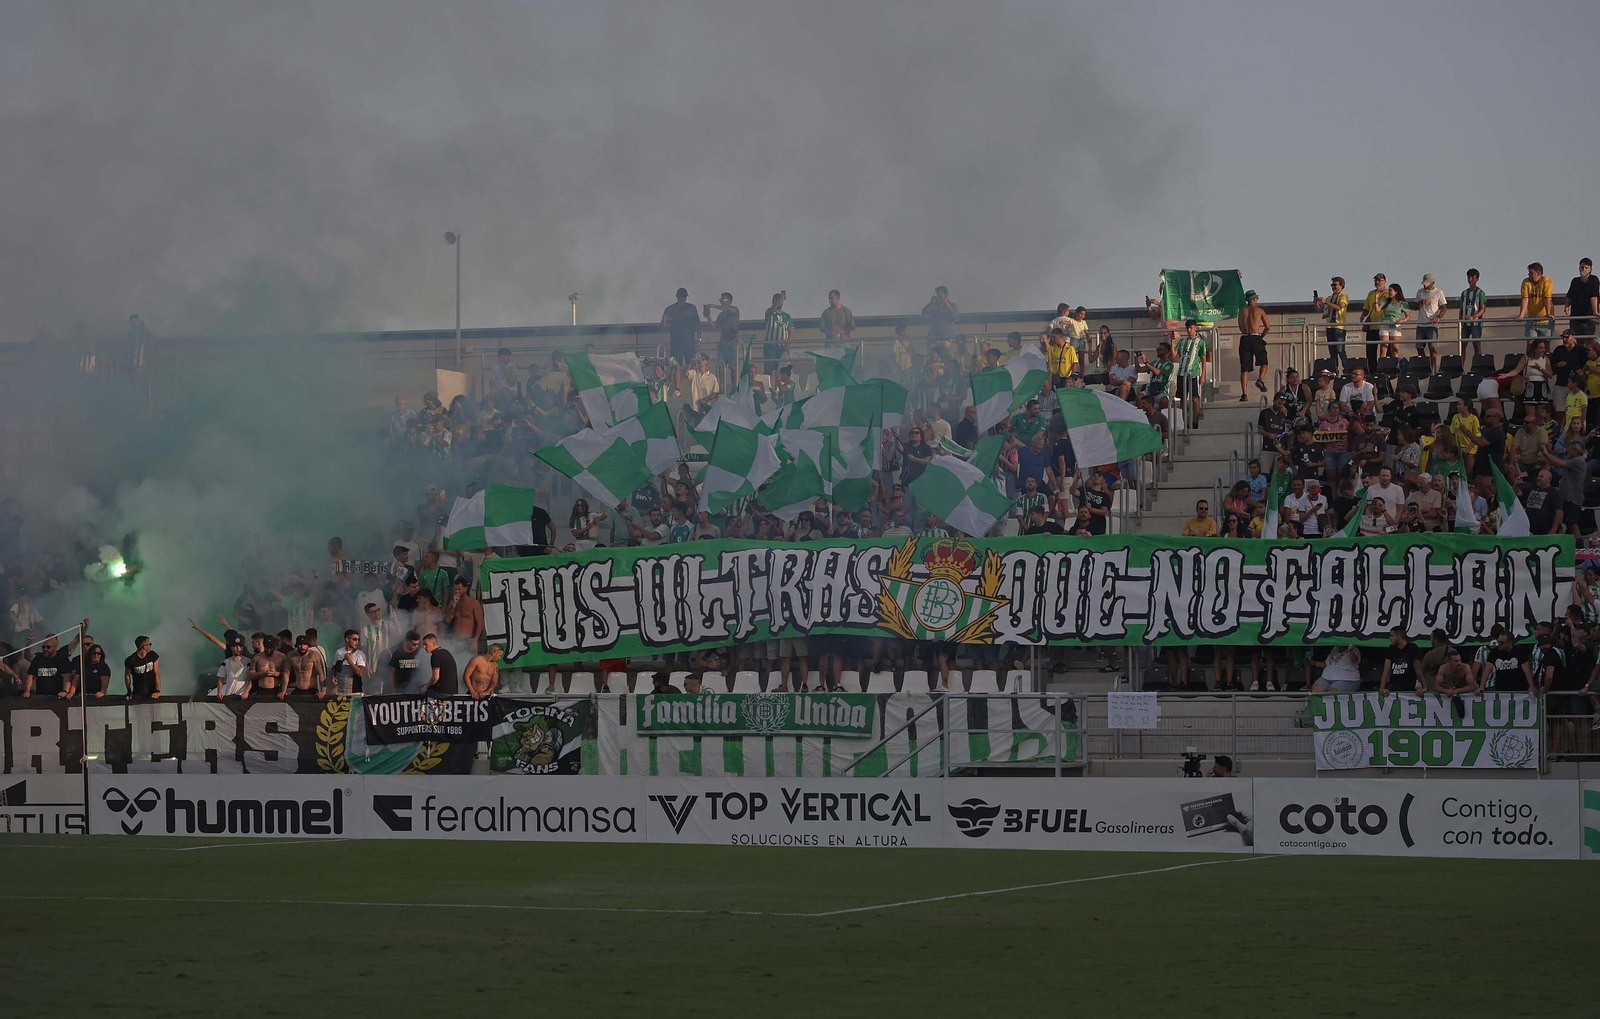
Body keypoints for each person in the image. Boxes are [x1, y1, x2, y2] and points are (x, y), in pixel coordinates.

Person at [662, 287, 701, 395]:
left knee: (692, 362)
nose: (683, 298)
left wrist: (699, 338)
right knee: (676, 365)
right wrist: (665, 322)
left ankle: (691, 385)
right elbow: (663, 325)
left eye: (685, 296)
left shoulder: (691, 308)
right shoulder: (670, 309)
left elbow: (698, 324)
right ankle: (677, 388)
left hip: (689, 341)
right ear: (677, 297)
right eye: (681, 296)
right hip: (676, 342)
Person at [1236, 289, 1270, 399]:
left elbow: (1240, 326)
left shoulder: (1241, 311)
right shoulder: (1259, 310)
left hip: (1244, 337)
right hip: (1255, 336)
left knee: (1244, 368)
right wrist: (1261, 337)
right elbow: (1267, 327)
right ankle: (1260, 379)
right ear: (1254, 299)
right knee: (1264, 362)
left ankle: (1244, 393)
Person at [1175, 320, 1206, 427]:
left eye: (1191, 328)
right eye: (1187, 328)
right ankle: (1184, 422)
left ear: (1195, 328)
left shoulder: (1200, 342)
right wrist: (1172, 342)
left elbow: (1203, 358)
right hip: (1181, 373)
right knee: (1183, 398)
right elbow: (1173, 355)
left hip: (1193, 373)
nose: (1189, 330)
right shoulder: (1182, 342)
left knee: (1195, 398)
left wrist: (1203, 375)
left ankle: (1195, 422)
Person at [1314, 276, 1349, 367]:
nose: (1333, 287)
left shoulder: (1344, 296)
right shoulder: (1329, 298)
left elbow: (1338, 307)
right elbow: (1319, 310)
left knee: (1340, 350)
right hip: (1329, 327)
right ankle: (1335, 370)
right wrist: (1316, 302)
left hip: (1339, 327)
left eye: (1335, 285)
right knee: (1332, 352)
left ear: (1341, 286)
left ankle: (1347, 370)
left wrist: (1325, 302)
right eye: (1332, 285)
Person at [708, 292, 740, 388]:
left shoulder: (735, 310)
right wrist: (708, 317)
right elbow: (714, 326)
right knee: (721, 366)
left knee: (733, 368)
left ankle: (734, 387)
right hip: (723, 343)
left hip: (732, 343)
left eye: (723, 299)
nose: (721, 301)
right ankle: (721, 387)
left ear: (729, 301)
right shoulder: (721, 315)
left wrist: (713, 306)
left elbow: (728, 309)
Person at [1378, 627, 1420, 695]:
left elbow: (1418, 669)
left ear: (1399, 636)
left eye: (1392, 636)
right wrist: (1382, 688)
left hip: (1408, 687)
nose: (1390, 638)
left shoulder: (1412, 648)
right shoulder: (1391, 649)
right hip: (1393, 686)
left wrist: (1423, 686)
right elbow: (1386, 670)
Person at [1520, 262, 1555, 339]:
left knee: (1545, 343)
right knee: (1530, 342)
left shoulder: (1546, 281)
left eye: (1531, 273)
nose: (1528, 274)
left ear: (1538, 273)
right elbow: (1525, 298)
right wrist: (1521, 315)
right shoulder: (1526, 282)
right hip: (1532, 319)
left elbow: (1547, 298)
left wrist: (1548, 314)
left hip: (1545, 320)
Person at [1360, 272, 1389, 365]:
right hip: (1372, 326)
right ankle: (1372, 372)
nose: (1377, 282)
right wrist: (1363, 315)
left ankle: (1384, 371)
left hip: (1384, 327)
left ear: (1384, 281)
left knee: (1385, 351)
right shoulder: (1371, 293)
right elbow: (1366, 307)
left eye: (1379, 280)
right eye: (1375, 280)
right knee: (1370, 352)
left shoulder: (1389, 294)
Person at [387, 630, 427, 695]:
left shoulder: (420, 653)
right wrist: (393, 691)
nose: (416, 646)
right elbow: (391, 674)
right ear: (407, 641)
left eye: (418, 644)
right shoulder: (397, 654)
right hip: (400, 690)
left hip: (417, 691)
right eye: (414, 644)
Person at [1567, 258, 1599, 338]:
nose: (1583, 269)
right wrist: (1566, 306)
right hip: (1575, 316)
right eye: (1582, 267)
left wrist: (1595, 312)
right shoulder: (1575, 281)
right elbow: (1569, 295)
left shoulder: (1593, 280)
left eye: (1586, 268)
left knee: (1588, 340)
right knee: (1577, 340)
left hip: (1588, 317)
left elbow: (1594, 296)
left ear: (1590, 269)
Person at [1459, 269, 1488, 357]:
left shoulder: (1480, 293)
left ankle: (1478, 366)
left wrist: (1474, 316)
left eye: (1473, 277)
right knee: (1462, 346)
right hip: (1465, 324)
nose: (1470, 280)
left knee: (1477, 345)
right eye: (1469, 277)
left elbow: (1483, 309)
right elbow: (1461, 308)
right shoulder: (1464, 293)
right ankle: (1461, 368)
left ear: (1477, 279)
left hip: (1476, 324)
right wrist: (1460, 321)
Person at [762, 292, 791, 376]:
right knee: (768, 370)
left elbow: (791, 331)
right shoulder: (769, 312)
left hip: (782, 347)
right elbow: (770, 311)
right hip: (770, 346)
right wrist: (777, 302)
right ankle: (768, 387)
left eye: (781, 301)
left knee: (783, 371)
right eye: (777, 301)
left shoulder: (787, 316)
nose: (780, 302)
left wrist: (788, 344)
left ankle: (780, 387)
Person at [330, 629, 366, 696]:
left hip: (355, 691)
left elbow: (360, 672)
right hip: (341, 690)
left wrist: (349, 661)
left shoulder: (359, 654)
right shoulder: (339, 652)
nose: (357, 642)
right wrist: (333, 676)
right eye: (354, 639)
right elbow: (334, 666)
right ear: (347, 639)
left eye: (358, 640)